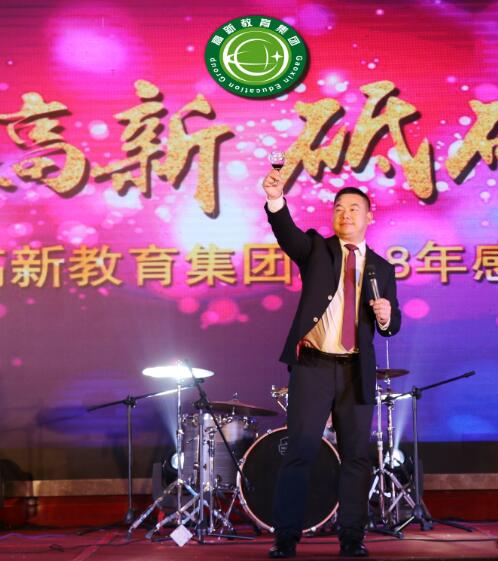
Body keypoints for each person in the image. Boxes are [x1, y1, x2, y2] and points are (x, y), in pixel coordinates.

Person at [262, 169, 401, 558]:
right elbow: (286, 233)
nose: (346, 214)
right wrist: (275, 200)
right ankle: (286, 537)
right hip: (314, 366)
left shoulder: (382, 268)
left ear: (369, 216)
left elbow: (391, 326)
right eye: (339, 208)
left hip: (356, 370)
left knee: (356, 456)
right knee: (301, 450)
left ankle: (352, 536)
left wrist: (387, 316)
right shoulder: (316, 250)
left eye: (354, 208)